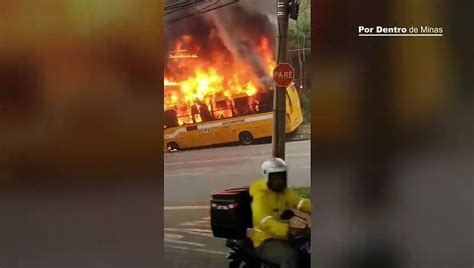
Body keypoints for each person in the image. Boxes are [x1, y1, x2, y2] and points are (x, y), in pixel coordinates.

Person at [249, 158, 311, 268]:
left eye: (282, 176)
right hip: (265, 240)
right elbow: (263, 219)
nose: (279, 180)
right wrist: (287, 230)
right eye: (275, 177)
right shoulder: (261, 196)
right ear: (267, 177)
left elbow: (298, 202)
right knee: (289, 256)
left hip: (283, 237)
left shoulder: (283, 191)